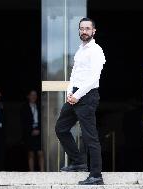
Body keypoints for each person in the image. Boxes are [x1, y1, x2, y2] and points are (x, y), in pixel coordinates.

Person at [55, 17, 106, 185]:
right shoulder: (79, 50)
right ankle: (78, 162)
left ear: (93, 31)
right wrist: (70, 93)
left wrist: (78, 95)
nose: (84, 31)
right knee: (61, 128)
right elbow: (74, 74)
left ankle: (96, 175)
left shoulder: (96, 51)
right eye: (81, 28)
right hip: (75, 95)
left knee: (89, 136)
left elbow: (93, 78)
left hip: (88, 95)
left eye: (87, 28)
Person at [20, 90, 44, 171]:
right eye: (32, 95)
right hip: (29, 133)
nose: (34, 97)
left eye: (35, 95)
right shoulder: (24, 108)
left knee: (40, 153)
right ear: (28, 96)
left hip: (39, 131)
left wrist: (40, 130)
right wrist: (31, 131)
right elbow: (23, 122)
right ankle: (31, 173)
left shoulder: (40, 106)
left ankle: (42, 173)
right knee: (31, 154)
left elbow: (44, 120)